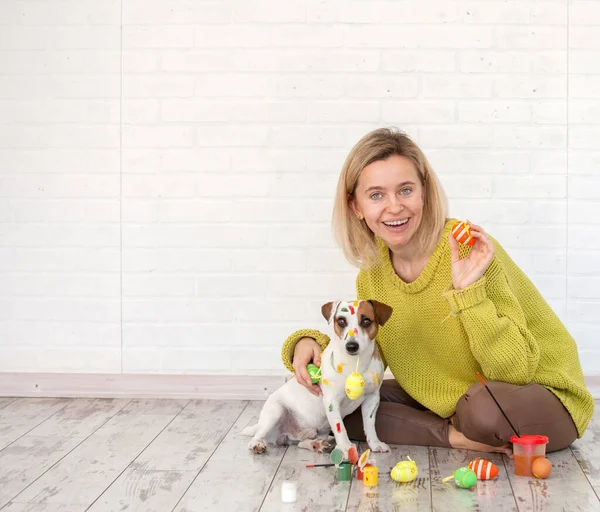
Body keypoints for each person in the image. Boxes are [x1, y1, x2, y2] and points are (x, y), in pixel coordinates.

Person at [280, 127, 594, 454]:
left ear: (424, 192)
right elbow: (369, 351)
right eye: (376, 195)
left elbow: (514, 371)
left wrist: (469, 294)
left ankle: (460, 427)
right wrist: (309, 342)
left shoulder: (468, 249)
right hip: (456, 400)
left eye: (405, 190)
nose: (394, 207)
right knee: (337, 403)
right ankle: (457, 436)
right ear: (357, 207)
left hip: (539, 394)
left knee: (482, 410)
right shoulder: (371, 275)